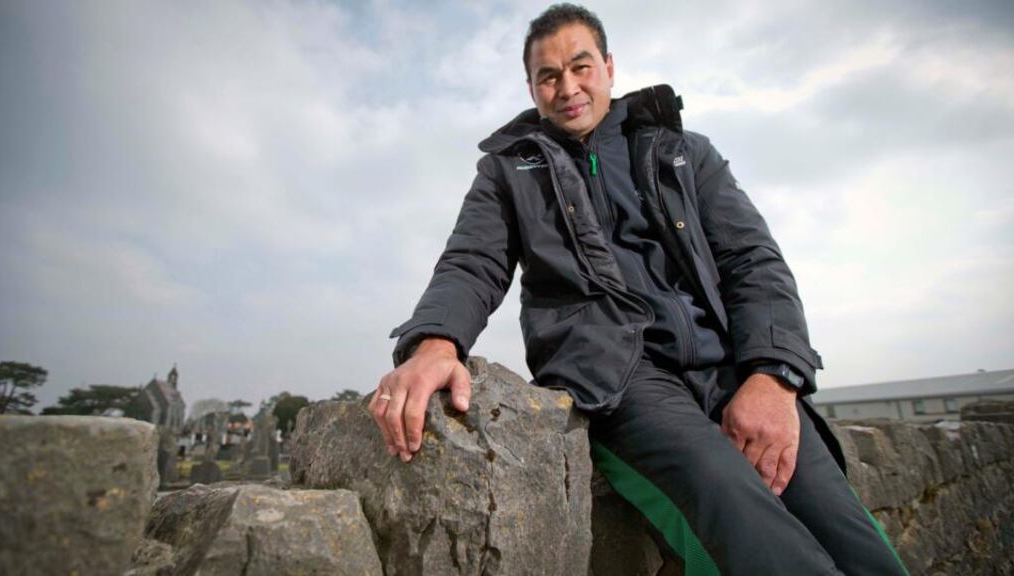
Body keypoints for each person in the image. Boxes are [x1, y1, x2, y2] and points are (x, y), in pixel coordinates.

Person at [370, 4, 909, 575]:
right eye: (547, 76)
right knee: (736, 510)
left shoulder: (683, 150)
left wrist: (774, 378)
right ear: (531, 87)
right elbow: (471, 261)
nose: (567, 87)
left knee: (850, 533)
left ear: (608, 67)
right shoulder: (508, 170)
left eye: (581, 67)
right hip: (620, 380)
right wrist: (434, 344)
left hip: (729, 363)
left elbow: (753, 260)